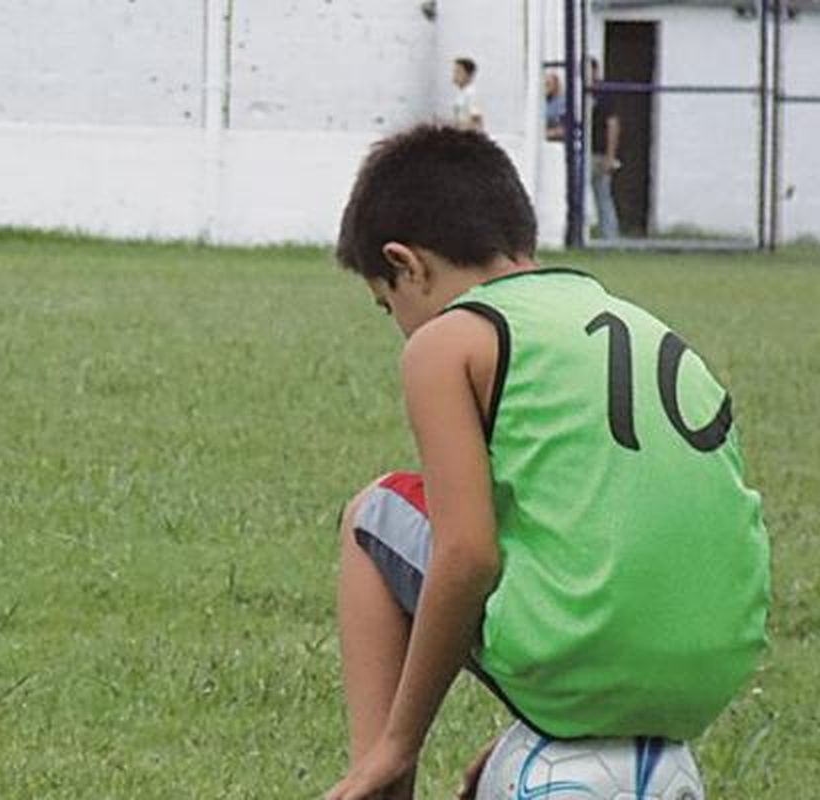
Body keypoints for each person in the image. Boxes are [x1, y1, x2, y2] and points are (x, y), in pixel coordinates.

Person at [322, 125, 768, 800]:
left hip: (578, 654)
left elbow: (467, 553)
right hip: (708, 672)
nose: (400, 324)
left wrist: (398, 744)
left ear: (406, 264)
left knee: (373, 512)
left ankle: (375, 784)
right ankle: (550, 737)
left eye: (389, 306)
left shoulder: (447, 343)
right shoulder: (646, 327)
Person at [588, 58, 622, 239]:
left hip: (599, 152)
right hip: (583, 151)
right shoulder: (579, 94)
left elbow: (613, 124)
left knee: (602, 193)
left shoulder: (604, 94)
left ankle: (609, 236)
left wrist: (610, 155)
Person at [450, 58, 483, 132]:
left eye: (458, 72)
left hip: (469, 138)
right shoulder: (462, 93)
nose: (454, 75)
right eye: (454, 72)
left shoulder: (471, 94)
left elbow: (477, 124)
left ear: (469, 75)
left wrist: (454, 124)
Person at [543, 70, 566, 140]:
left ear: (556, 85)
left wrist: (547, 133)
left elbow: (563, 129)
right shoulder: (542, 101)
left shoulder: (562, 102)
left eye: (548, 84)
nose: (545, 87)